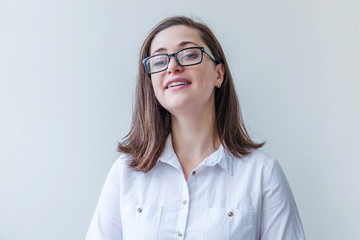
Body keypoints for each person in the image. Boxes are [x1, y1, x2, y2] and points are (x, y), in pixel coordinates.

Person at [86, 16, 306, 240]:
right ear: (151, 83)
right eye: (159, 61)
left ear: (218, 74)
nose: (173, 66)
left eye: (189, 55)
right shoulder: (125, 172)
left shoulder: (261, 174)